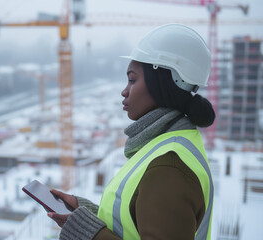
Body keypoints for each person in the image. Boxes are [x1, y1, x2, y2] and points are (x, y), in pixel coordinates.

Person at [48, 24, 215, 240]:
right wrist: (86, 212)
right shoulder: (165, 146)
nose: (124, 91)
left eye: (132, 79)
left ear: (163, 83)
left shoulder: (169, 166)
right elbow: (137, 223)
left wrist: (88, 234)